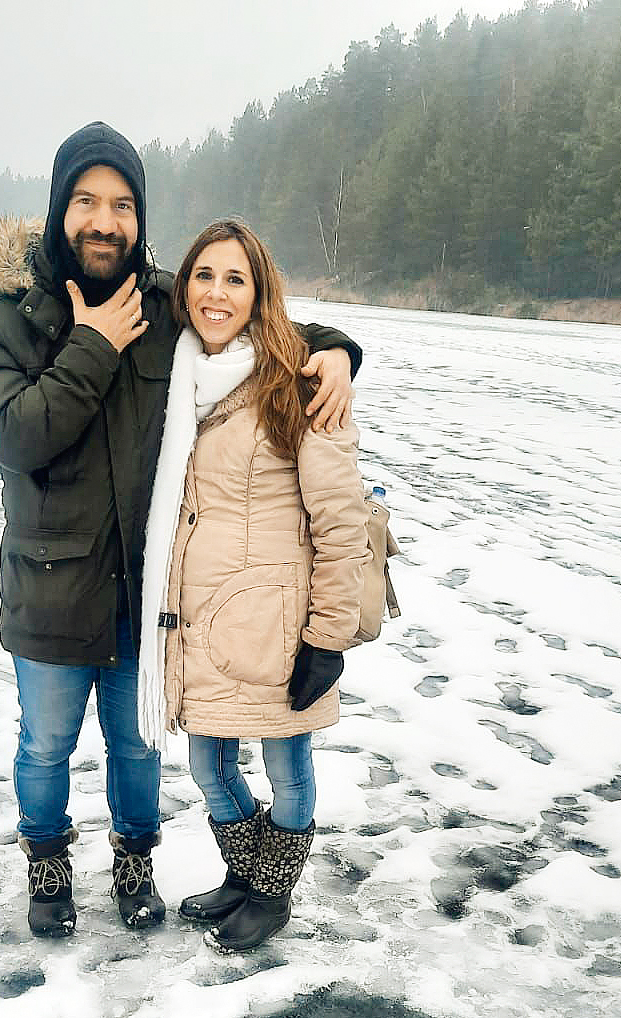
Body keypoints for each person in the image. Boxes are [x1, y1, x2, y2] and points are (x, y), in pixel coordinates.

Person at [0, 123, 361, 938]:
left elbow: (253, 317)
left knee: (137, 750)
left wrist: (341, 350)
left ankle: (135, 866)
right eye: (85, 201)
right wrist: (91, 347)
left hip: (146, 591)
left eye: (121, 205)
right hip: (50, 590)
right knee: (44, 749)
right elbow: (18, 437)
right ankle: (47, 868)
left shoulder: (163, 303)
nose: (103, 221)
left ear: (140, 219)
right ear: (56, 209)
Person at [136, 220, 368, 953]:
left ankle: (273, 892)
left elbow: (341, 522)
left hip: (276, 626)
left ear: (259, 292)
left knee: (285, 768)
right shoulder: (178, 378)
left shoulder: (296, 381)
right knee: (208, 765)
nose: (216, 293)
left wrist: (326, 639)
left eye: (235, 279)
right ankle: (247, 872)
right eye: (204, 275)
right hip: (201, 623)